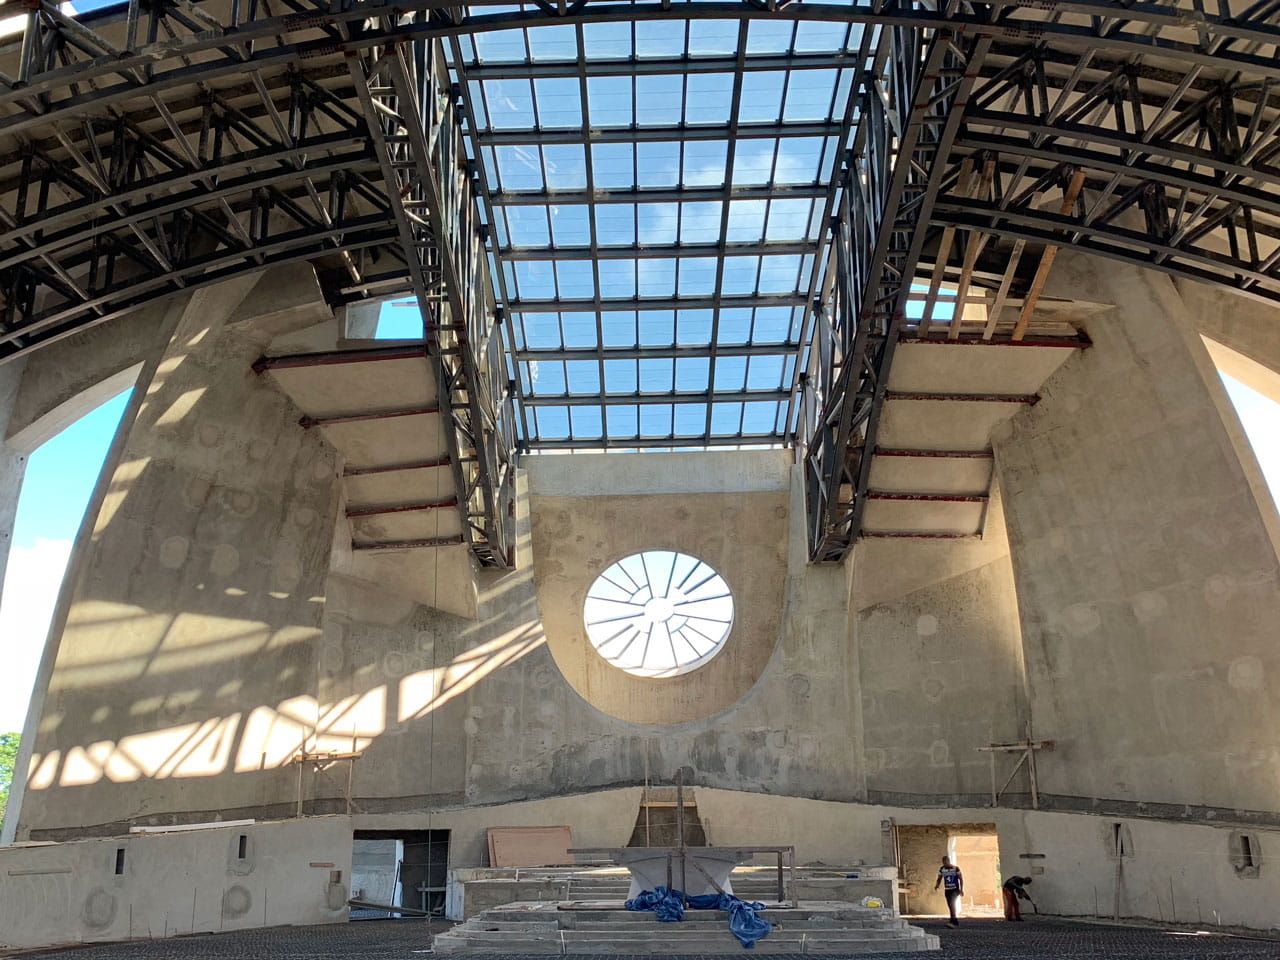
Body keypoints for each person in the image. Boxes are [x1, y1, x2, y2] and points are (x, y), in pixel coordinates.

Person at [933, 856, 964, 927]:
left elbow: (961, 879)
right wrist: (937, 885)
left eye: (945, 862)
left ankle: (953, 921)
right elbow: (939, 878)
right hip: (947, 889)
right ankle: (954, 920)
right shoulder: (942, 869)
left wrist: (961, 889)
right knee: (950, 905)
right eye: (943, 862)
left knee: (952, 903)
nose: (944, 863)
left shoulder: (956, 868)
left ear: (948, 861)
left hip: (955, 890)